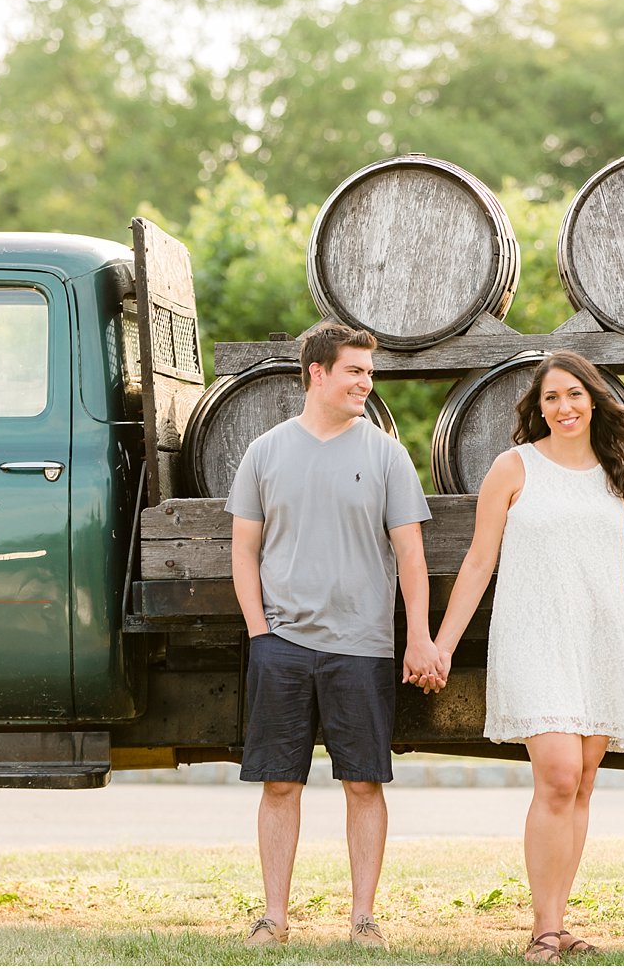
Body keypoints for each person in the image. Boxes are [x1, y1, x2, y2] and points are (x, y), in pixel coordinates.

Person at [430, 350, 624, 963]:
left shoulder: (621, 473)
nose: (563, 407)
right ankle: (542, 928)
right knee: (558, 776)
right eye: (551, 399)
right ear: (538, 409)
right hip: (535, 637)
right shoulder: (513, 468)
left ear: (593, 399)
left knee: (583, 783)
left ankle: (559, 923)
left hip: (600, 641)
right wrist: (444, 645)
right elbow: (479, 563)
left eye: (573, 395)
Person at [226, 320, 441, 950]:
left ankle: (363, 920)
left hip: (362, 646)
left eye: (369, 373)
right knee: (279, 783)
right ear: (318, 373)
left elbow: (412, 556)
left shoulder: (384, 454)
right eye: (355, 371)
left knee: (364, 783)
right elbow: (244, 552)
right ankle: (273, 919)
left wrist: (419, 637)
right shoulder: (265, 452)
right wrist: (259, 633)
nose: (365, 384)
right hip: (282, 645)